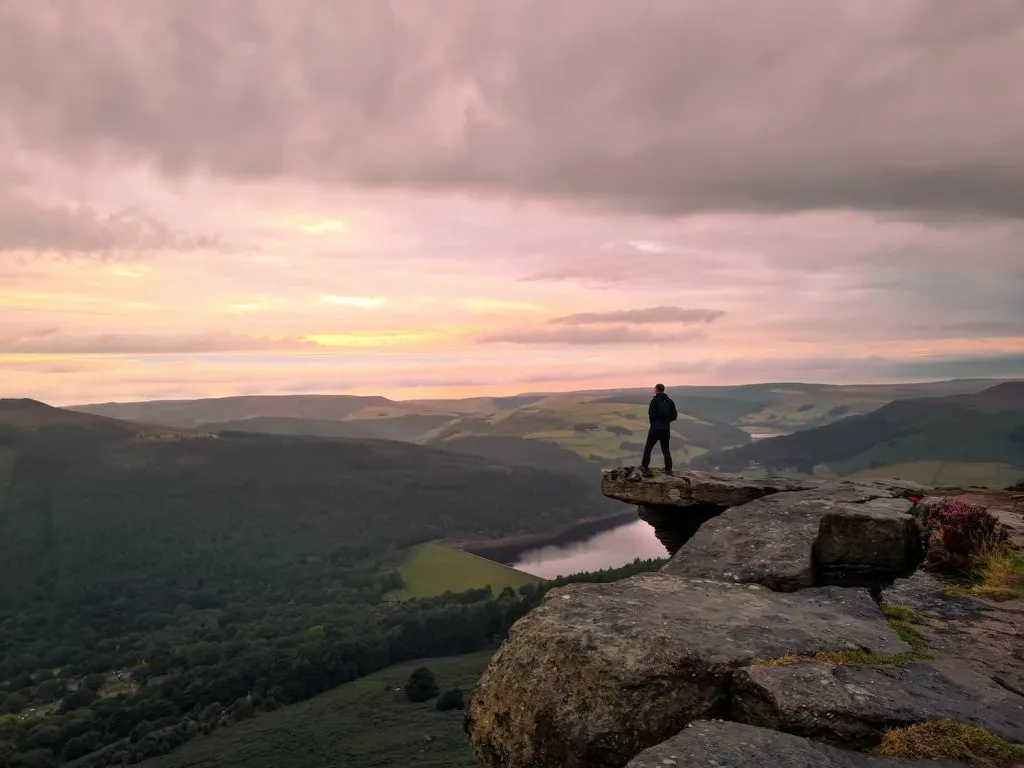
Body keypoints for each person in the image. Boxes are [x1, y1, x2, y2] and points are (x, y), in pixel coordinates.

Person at [641, 383, 677, 474]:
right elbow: (674, 416)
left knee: (648, 448)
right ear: (663, 390)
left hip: (655, 429)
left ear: (656, 389)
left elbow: (651, 414)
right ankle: (668, 469)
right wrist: (666, 421)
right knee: (666, 449)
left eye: (655, 388)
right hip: (666, 429)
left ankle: (644, 467)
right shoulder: (670, 401)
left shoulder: (654, 401)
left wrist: (654, 423)